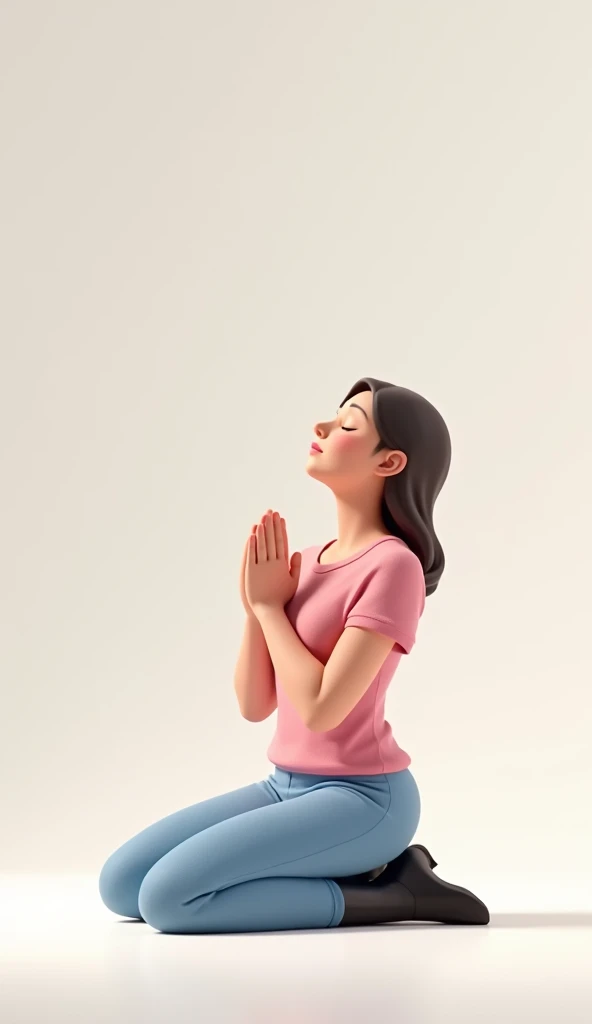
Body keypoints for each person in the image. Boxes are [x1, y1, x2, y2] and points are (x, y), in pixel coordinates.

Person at [99, 376, 490, 933]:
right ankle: (358, 879)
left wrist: (269, 609)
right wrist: (257, 608)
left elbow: (323, 708)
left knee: (169, 901)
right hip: (284, 784)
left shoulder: (392, 567)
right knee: (122, 885)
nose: (323, 427)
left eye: (349, 425)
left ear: (389, 462)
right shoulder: (303, 562)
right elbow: (255, 704)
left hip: (364, 800)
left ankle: (401, 895)